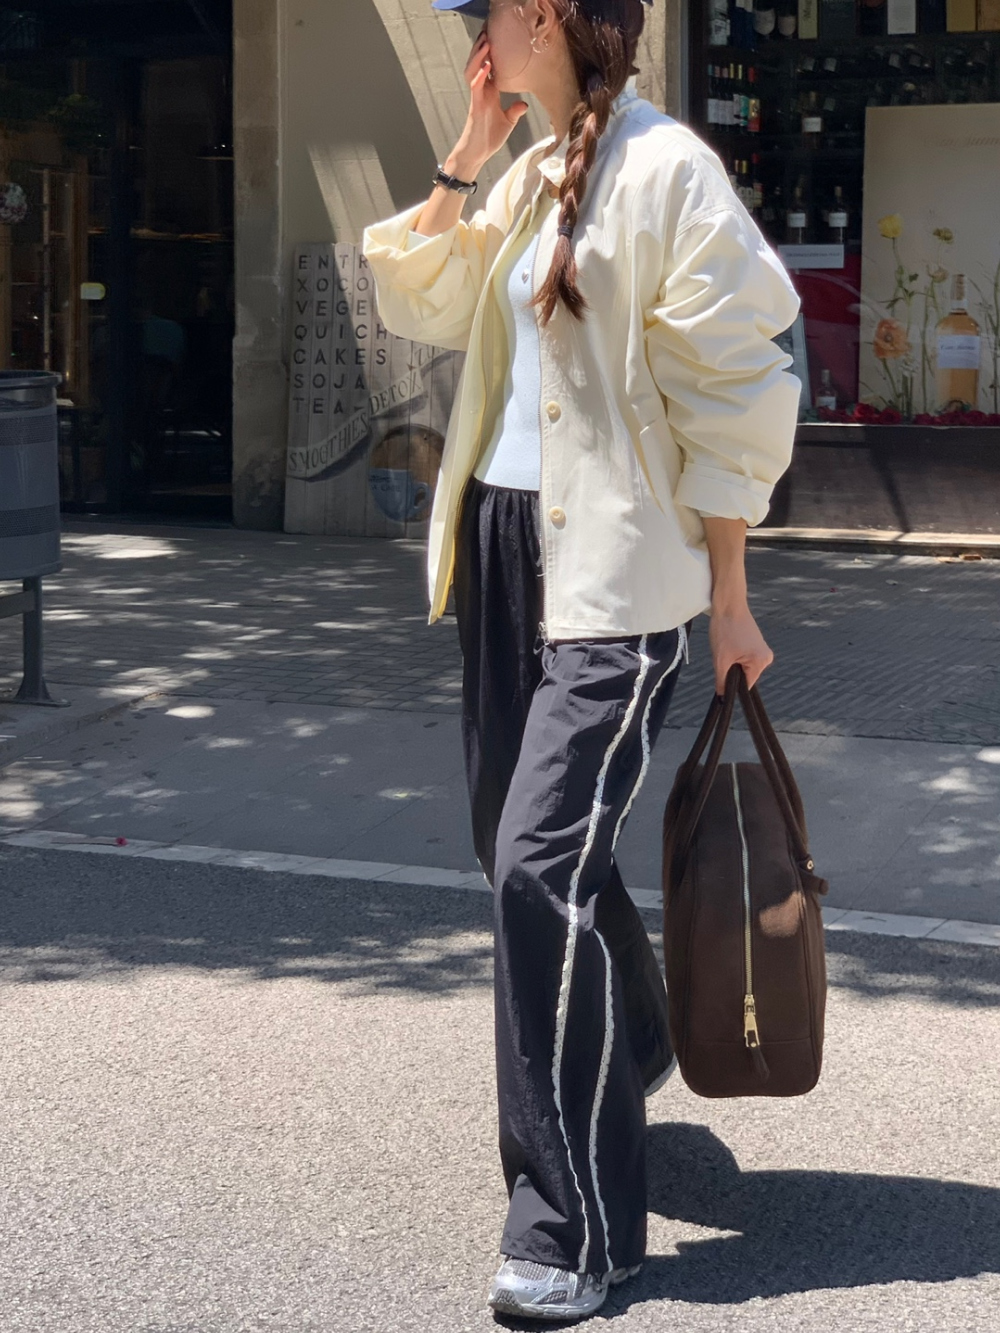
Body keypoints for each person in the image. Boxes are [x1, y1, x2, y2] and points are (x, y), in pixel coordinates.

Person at [363, 0, 800, 1320]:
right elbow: (424, 295)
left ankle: (576, 1222)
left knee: (536, 864)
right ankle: (635, 1032)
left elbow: (737, 391)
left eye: (483, 16)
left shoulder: (667, 171)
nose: (472, 36)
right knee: (511, 844)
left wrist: (730, 599)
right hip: (508, 553)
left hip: (618, 579)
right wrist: (469, 143)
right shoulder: (532, 170)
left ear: (544, 15)